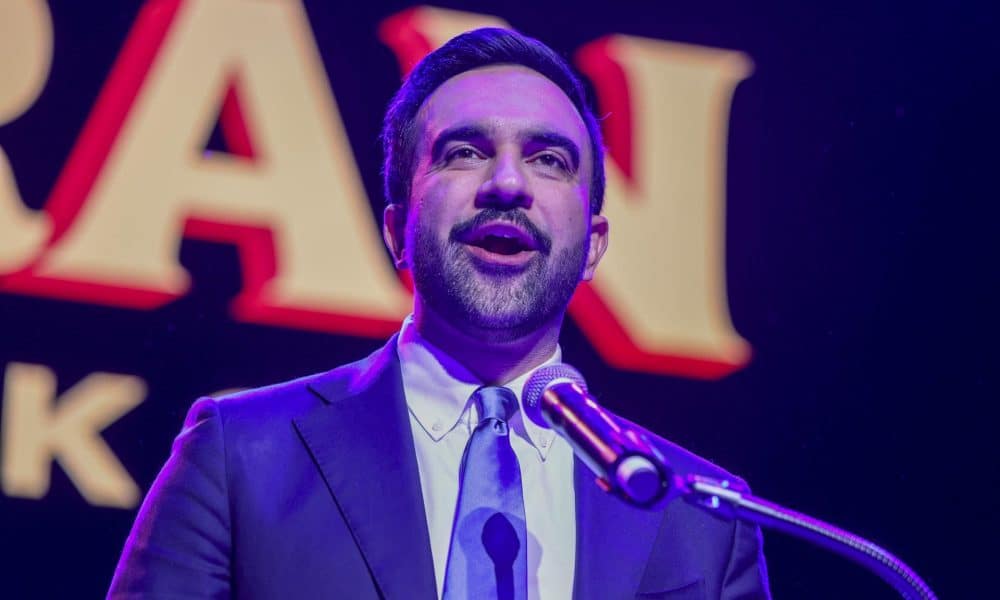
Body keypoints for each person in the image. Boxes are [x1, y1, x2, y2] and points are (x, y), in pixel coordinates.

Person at [108, 28, 770, 599]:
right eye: (465, 152)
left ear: (595, 243)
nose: (507, 184)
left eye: (548, 159)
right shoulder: (241, 457)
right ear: (396, 229)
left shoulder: (702, 520)